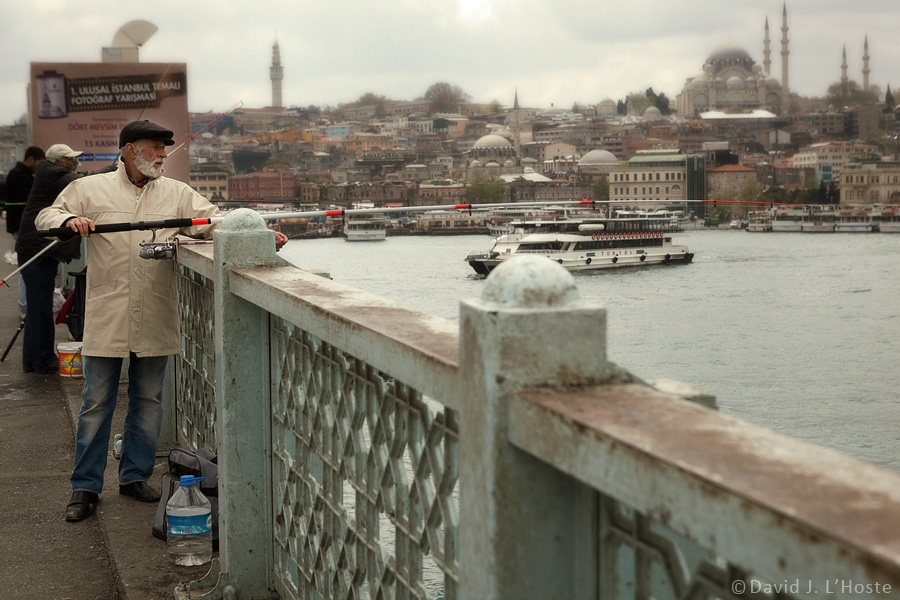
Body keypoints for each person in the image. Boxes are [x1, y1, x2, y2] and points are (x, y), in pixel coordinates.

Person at [36, 120, 288, 522]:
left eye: (163, 148)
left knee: (149, 401)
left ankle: (134, 476)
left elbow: (213, 222)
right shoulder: (89, 189)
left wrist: (257, 234)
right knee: (96, 402)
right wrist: (68, 222)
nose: (162, 154)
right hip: (107, 311)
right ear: (129, 149)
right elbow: (47, 215)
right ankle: (85, 487)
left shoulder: (177, 192)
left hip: (155, 310)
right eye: (154, 147)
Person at [15, 144, 84, 373]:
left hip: (37, 249)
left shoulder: (50, 172)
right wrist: (115, 170)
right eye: (71, 159)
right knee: (40, 308)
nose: (75, 163)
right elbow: (84, 182)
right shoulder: (55, 174)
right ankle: (43, 359)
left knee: (37, 307)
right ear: (59, 161)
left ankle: (31, 360)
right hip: (37, 250)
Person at [6, 146, 45, 318]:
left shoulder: (24, 174)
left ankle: (27, 306)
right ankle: (25, 307)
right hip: (22, 227)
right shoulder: (18, 175)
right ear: (30, 159)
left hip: (23, 226)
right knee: (25, 268)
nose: (39, 167)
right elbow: (28, 198)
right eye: (39, 163)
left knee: (28, 267)